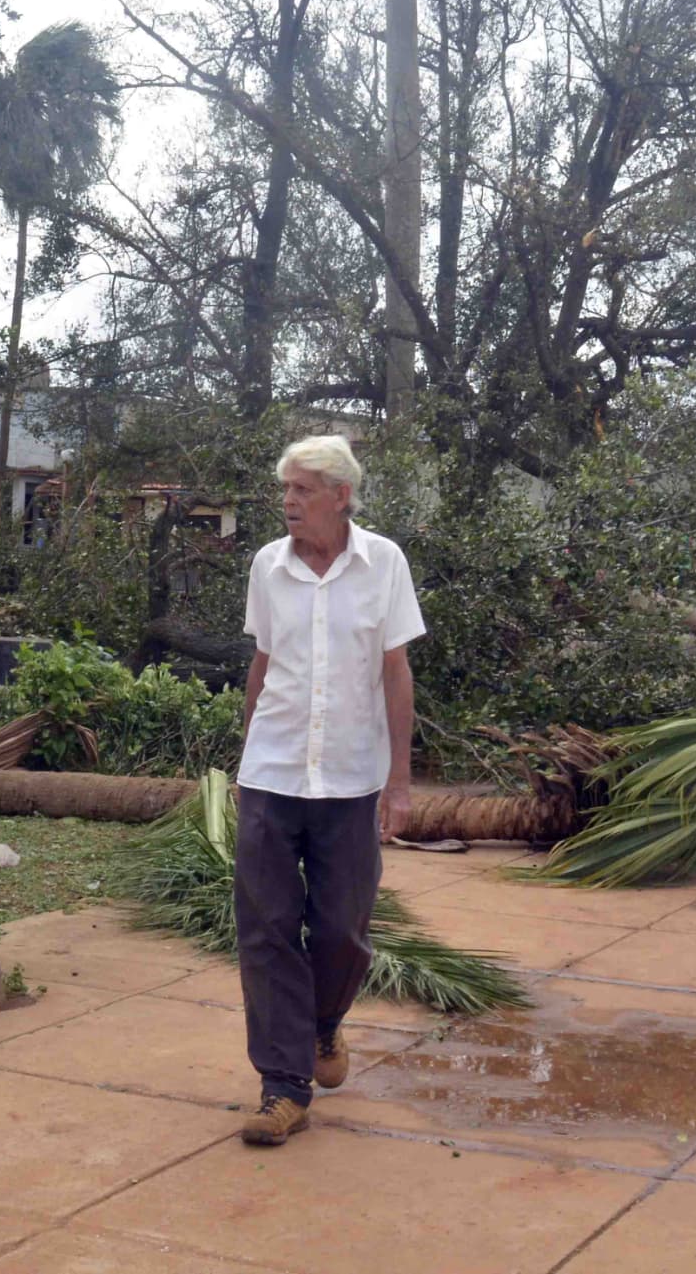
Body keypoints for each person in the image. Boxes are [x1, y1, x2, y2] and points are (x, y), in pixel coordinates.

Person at [231, 435, 426, 1149]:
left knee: (342, 928)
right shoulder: (267, 567)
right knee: (265, 929)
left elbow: (395, 673)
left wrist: (399, 780)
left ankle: (319, 1023)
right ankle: (283, 1086)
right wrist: (247, 756)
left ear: (341, 495)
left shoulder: (384, 564)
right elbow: (263, 663)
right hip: (272, 774)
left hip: (350, 778)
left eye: (304, 488)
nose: (289, 501)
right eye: (286, 488)